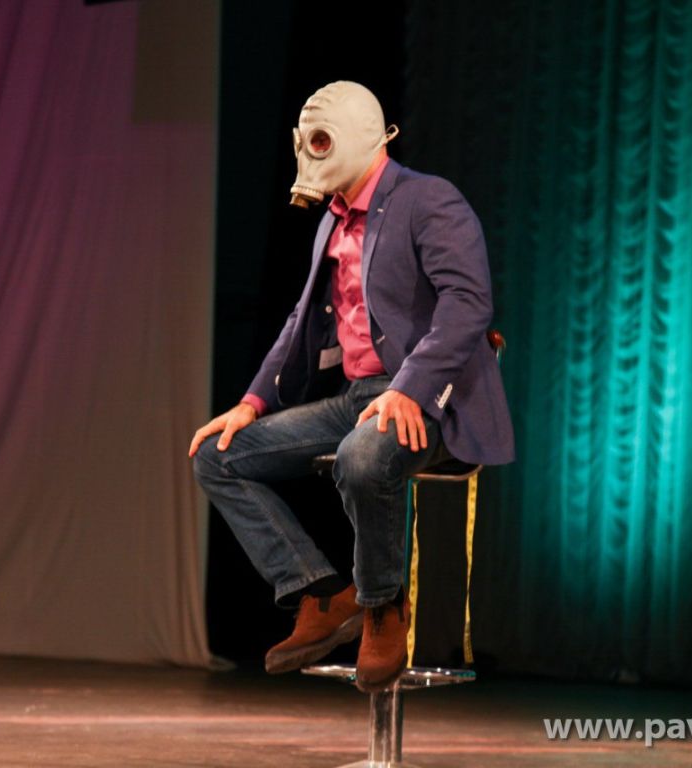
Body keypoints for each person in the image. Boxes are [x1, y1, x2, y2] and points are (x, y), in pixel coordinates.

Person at [190, 81, 513, 692]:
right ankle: (319, 592)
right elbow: (301, 320)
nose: (309, 154)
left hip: (430, 401)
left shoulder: (427, 199)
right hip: (359, 398)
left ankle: (382, 606)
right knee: (218, 455)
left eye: (320, 141)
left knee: (361, 457)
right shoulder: (331, 223)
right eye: (305, 142)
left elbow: (468, 302)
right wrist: (251, 403)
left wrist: (410, 388)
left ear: (363, 137)